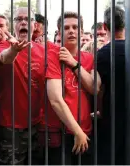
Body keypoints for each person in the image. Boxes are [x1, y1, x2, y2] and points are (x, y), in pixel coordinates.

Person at [40, 11, 101, 165]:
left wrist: (74, 64)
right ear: (59, 32)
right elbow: (55, 100)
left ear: (81, 31)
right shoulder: (54, 57)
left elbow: (95, 88)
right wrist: (77, 131)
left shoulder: (89, 58)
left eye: (75, 27)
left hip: (85, 130)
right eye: (66, 28)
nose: (72, 31)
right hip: (61, 133)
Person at [0, 7, 45, 165]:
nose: (23, 22)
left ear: (34, 25)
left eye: (27, 19)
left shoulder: (42, 51)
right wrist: (14, 49)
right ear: (13, 26)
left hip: (36, 125)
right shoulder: (4, 46)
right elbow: (5, 58)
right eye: (18, 19)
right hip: (10, 128)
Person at [96, 6, 126, 164]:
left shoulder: (103, 54)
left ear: (105, 26)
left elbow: (99, 89)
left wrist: (101, 111)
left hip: (111, 118)